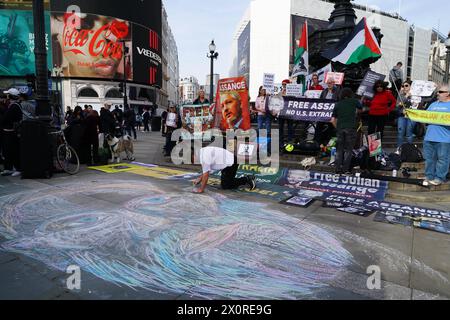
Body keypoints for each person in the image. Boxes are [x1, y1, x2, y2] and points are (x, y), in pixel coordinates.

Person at [192, 146, 256, 193]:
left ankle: (247, 179)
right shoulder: (202, 151)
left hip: (231, 162)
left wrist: (201, 189)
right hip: (227, 161)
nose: (195, 163)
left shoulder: (204, 157)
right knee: (225, 182)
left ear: (194, 156)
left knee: (226, 185)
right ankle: (233, 180)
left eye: (193, 161)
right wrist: (200, 178)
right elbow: (207, 170)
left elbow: (206, 175)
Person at [422, 85, 450, 187]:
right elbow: (424, 116)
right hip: (429, 136)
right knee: (429, 159)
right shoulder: (433, 104)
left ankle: (440, 178)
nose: (438, 93)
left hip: (444, 138)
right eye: (438, 92)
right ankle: (429, 176)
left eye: (441, 92)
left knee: (443, 160)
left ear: (448, 93)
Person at [330, 88, 362, 174]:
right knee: (348, 150)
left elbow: (332, 120)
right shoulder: (354, 101)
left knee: (339, 150)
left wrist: (338, 128)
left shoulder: (337, 104)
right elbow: (360, 108)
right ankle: (345, 169)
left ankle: (337, 169)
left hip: (340, 129)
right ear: (350, 94)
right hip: (351, 129)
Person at [1, 88, 23, 177]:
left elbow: (6, 118)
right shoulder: (12, 105)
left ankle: (18, 168)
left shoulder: (14, 106)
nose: (6, 97)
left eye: (8, 95)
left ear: (10, 96)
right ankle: (8, 168)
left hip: (11, 132)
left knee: (13, 151)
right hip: (8, 131)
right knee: (7, 151)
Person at [396, 80, 416, 147]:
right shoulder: (401, 94)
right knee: (400, 133)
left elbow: (427, 98)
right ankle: (399, 149)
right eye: (403, 86)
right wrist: (406, 96)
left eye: (406, 85)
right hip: (402, 116)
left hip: (412, 116)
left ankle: (409, 151)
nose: (404, 87)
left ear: (411, 86)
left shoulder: (415, 95)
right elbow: (397, 105)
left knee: (409, 134)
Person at [278, 79, 294, 146]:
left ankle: (289, 141)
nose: (284, 86)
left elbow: (294, 99)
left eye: (285, 84)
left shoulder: (292, 92)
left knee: (290, 127)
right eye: (283, 84)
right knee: (281, 127)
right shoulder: (280, 92)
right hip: (281, 112)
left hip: (289, 112)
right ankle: (281, 142)